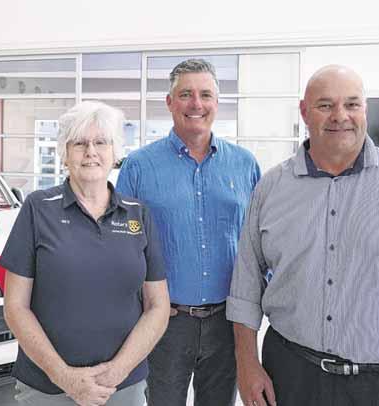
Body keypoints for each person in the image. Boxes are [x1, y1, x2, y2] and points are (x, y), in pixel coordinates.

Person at [227, 65, 379, 406]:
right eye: (326, 105)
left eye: (352, 104)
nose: (340, 116)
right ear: (304, 111)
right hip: (292, 376)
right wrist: (246, 363)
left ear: (365, 109)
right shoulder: (271, 188)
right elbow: (246, 283)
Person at [0, 101, 170, 406]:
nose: (91, 151)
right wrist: (64, 377)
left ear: (115, 152)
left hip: (122, 388)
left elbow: (157, 306)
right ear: (65, 154)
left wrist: (116, 372)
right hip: (47, 388)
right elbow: (15, 307)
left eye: (101, 142)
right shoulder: (38, 209)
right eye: (79, 143)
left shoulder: (138, 214)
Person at [117, 58, 261, 406]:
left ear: (217, 102)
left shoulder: (245, 165)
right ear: (170, 102)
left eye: (205, 95)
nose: (196, 104)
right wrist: (137, 300)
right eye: (185, 94)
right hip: (164, 324)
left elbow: (261, 241)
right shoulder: (139, 166)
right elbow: (121, 244)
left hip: (228, 323)